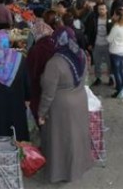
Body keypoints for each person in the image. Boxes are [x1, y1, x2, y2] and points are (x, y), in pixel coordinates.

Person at [38, 27, 92, 183]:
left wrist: (41, 113)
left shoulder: (54, 63)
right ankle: (78, 168)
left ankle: (62, 173)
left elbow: (48, 93)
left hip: (62, 108)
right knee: (77, 138)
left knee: (61, 141)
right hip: (80, 101)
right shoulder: (80, 54)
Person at [26, 21, 55, 123]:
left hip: (40, 93)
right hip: (57, 94)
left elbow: (30, 74)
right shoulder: (57, 45)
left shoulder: (34, 51)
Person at [86, 2, 113, 86]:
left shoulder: (110, 19)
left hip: (108, 45)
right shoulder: (94, 19)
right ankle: (98, 78)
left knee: (109, 63)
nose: (101, 11)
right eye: (99, 9)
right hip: (96, 44)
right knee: (97, 63)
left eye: (103, 9)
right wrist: (90, 43)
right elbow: (89, 32)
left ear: (106, 10)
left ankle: (111, 78)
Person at [107, 5, 123, 97]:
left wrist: (106, 36)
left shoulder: (116, 27)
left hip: (115, 51)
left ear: (117, 16)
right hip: (122, 50)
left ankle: (119, 91)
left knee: (117, 72)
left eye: (114, 15)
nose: (113, 16)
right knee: (121, 70)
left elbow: (109, 39)